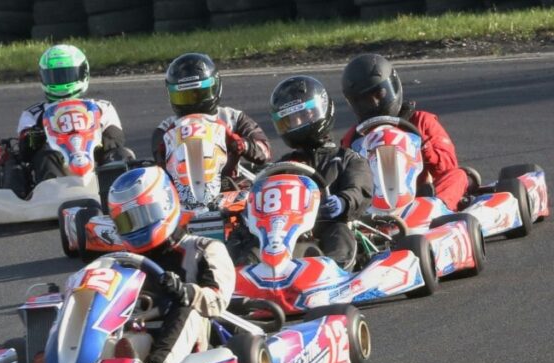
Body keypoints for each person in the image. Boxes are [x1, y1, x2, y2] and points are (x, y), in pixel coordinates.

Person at [228, 76, 372, 269]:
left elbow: (359, 188)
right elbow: (261, 195)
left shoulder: (346, 158)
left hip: (326, 224)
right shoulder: (283, 165)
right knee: (242, 236)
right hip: (282, 233)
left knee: (339, 231)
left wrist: (343, 202)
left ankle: (335, 272)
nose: (297, 123)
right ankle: (241, 274)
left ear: (321, 110)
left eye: (303, 116)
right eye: (290, 120)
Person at [107, 166, 235, 363]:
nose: (135, 227)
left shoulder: (204, 248)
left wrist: (186, 292)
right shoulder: (123, 261)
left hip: (192, 336)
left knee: (188, 307)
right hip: (138, 327)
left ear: (164, 203)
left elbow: (218, 301)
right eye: (126, 222)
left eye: (142, 216)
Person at [340, 53, 469, 211]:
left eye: (379, 94)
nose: (374, 103)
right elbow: (344, 176)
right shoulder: (355, 136)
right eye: (364, 100)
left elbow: (448, 165)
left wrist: (423, 147)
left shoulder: (421, 121)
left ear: (393, 86)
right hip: (374, 203)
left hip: (421, 197)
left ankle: (435, 210)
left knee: (458, 176)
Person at [151, 52, 271, 181]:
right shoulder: (166, 128)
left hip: (229, 190)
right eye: (184, 97)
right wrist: (163, 152)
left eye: (199, 94)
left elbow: (264, 151)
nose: (193, 103)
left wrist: (241, 144)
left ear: (216, 86)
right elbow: (158, 160)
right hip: (182, 192)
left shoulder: (233, 118)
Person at [17, 44, 127, 182]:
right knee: (45, 156)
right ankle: (54, 196)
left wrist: (90, 139)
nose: (62, 82)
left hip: (95, 159)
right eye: (55, 76)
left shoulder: (101, 107)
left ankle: (116, 189)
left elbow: (116, 139)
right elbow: (26, 150)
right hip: (58, 161)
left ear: (83, 73)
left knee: (120, 154)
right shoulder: (33, 114)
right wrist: (36, 137)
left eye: (67, 74)